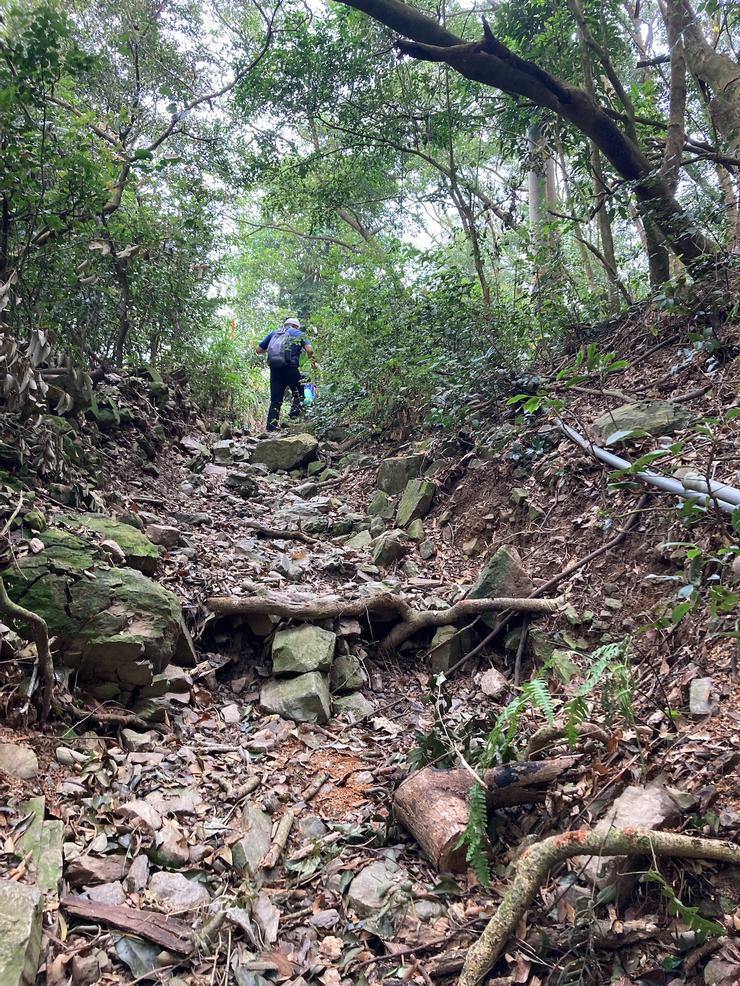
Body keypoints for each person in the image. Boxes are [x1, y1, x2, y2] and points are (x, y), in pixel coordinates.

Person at [256, 316, 316, 431]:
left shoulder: (274, 333)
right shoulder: (299, 334)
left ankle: (270, 429)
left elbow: (258, 350)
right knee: (299, 394)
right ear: (296, 326)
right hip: (291, 369)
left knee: (275, 400)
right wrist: (313, 362)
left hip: (275, 369)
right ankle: (293, 418)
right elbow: (309, 350)